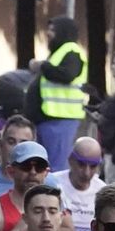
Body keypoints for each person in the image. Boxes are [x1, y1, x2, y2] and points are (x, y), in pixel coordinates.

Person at [31, 15, 89, 169]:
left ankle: (54, 193)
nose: (48, 33)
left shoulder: (71, 51)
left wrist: (43, 66)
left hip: (61, 119)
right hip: (49, 118)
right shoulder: (59, 51)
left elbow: (67, 75)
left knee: (55, 167)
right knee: (44, 165)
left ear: (63, 31)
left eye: (52, 30)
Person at [50, 135, 107, 231]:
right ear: (71, 160)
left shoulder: (103, 191)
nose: (86, 173)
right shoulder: (53, 183)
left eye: (93, 166)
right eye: (81, 164)